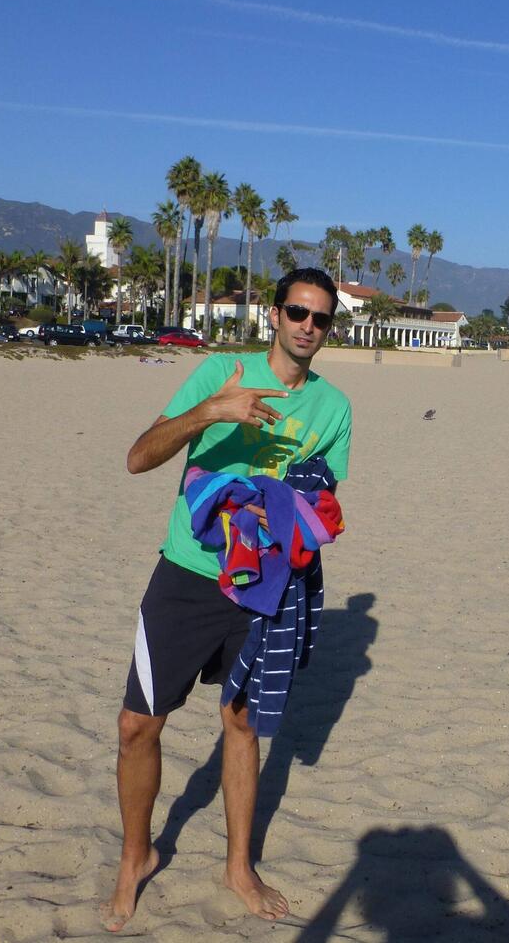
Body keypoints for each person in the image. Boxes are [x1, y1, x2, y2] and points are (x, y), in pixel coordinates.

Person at [101, 268, 353, 930]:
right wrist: (211, 411)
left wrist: (286, 513)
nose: (308, 326)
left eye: (321, 318)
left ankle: (238, 866)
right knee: (136, 725)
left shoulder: (334, 408)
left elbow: (323, 505)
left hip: (264, 587)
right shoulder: (221, 372)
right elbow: (138, 458)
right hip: (188, 576)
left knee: (241, 724)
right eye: (297, 312)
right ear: (274, 314)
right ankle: (136, 856)